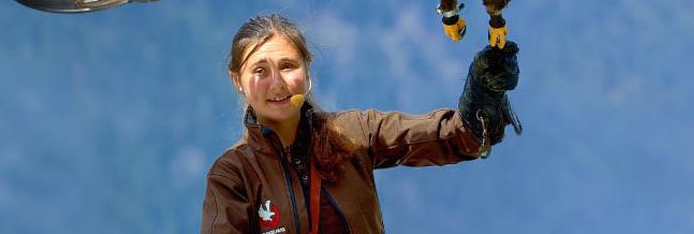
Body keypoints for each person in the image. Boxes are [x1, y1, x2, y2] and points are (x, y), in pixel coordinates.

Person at [201, 14, 521, 234]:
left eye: (287, 66)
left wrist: (481, 102)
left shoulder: (352, 133)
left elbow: (449, 136)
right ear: (238, 81)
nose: (277, 83)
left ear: (307, 70)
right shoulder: (234, 175)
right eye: (260, 70)